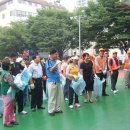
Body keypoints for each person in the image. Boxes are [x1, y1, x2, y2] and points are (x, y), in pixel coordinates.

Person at [1, 58, 19, 127]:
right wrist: (18, 88)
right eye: (10, 65)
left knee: (11, 106)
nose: (11, 66)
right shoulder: (7, 74)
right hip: (7, 93)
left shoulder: (4, 72)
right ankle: (6, 122)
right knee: (8, 107)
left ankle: (12, 119)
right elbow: (12, 83)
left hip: (9, 92)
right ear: (7, 66)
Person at [45, 50, 63, 116]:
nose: (57, 56)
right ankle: (51, 110)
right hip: (52, 81)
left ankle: (57, 109)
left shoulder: (56, 61)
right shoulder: (48, 62)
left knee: (58, 96)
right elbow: (51, 70)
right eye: (55, 54)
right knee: (52, 96)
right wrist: (56, 64)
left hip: (57, 81)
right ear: (52, 54)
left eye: (57, 54)